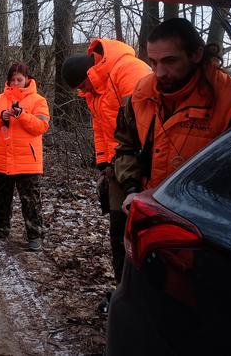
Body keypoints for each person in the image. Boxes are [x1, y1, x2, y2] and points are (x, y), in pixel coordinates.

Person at [114, 18, 231, 211]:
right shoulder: (142, 93)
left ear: (196, 54)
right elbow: (126, 146)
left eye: (170, 61)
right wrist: (131, 189)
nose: (159, 73)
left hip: (204, 218)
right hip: (148, 209)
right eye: (153, 62)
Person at [61, 38, 151, 283]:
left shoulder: (128, 70)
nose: (84, 90)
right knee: (118, 230)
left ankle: (138, 291)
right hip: (118, 166)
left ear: (90, 71)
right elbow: (100, 129)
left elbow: (147, 123)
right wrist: (103, 162)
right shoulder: (94, 91)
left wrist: (134, 166)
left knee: (143, 233)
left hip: (145, 167)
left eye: (84, 84)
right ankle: (122, 287)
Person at [0, 62, 50, 251]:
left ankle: (34, 235)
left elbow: (41, 127)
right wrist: (1, 116)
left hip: (28, 161)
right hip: (3, 159)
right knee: (2, 197)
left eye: (19, 79)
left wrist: (22, 115)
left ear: (27, 79)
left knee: (31, 201)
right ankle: (0, 228)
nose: (16, 83)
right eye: (12, 79)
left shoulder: (38, 100)